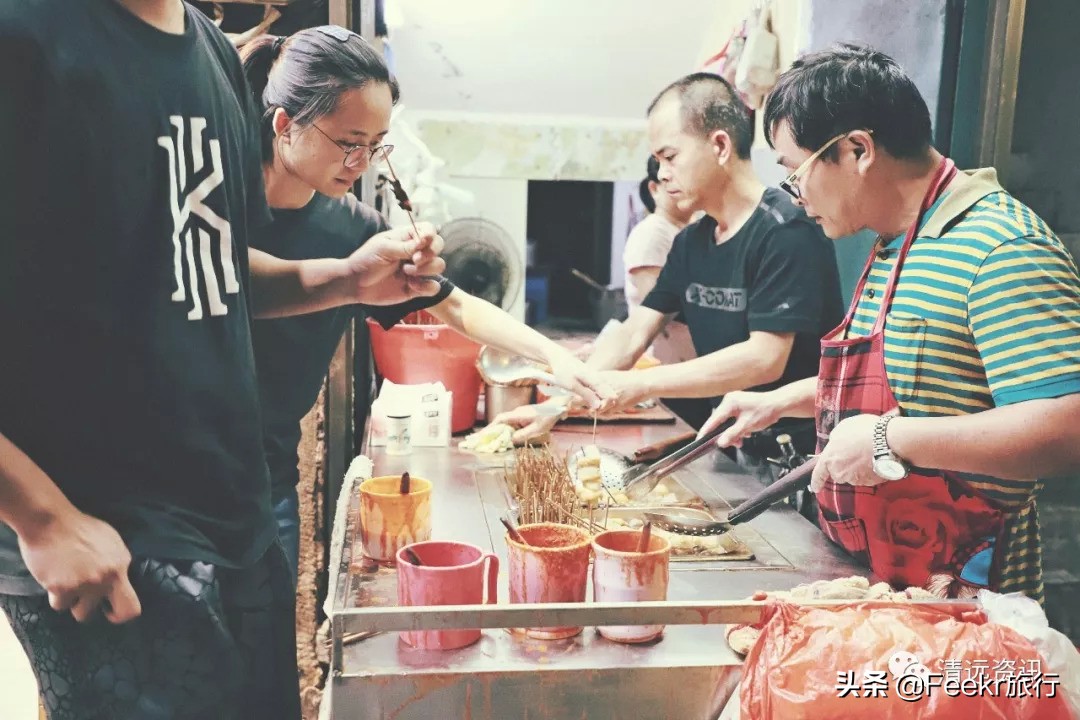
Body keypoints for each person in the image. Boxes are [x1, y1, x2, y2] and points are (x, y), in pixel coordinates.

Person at [0, 2, 444, 718]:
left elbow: (207, 265)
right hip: (107, 537)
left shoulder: (207, 53)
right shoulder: (25, 32)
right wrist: (41, 517)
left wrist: (346, 279)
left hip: (233, 521)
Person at [701, 43, 1080, 602]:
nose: (796, 195)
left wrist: (888, 439)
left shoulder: (1000, 246)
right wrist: (783, 400)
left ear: (857, 150)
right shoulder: (894, 241)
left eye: (794, 172)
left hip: (964, 600)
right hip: (884, 579)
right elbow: (921, 385)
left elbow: (1066, 429)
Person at [239, 28, 612, 577]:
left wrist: (555, 358)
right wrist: (348, 279)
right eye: (350, 142)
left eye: (376, 144)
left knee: (263, 646)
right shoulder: (221, 202)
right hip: (181, 462)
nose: (363, 161)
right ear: (285, 124)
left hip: (267, 468)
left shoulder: (352, 229)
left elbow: (454, 305)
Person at [499, 73, 843, 483]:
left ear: (719, 146)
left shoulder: (786, 229)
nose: (661, 174)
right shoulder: (692, 242)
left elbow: (764, 359)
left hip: (800, 460)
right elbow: (633, 335)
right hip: (732, 449)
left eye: (670, 157)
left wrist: (640, 385)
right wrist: (555, 408)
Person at [623, 156, 710, 429]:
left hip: (692, 371)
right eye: (666, 178)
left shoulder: (691, 231)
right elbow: (661, 308)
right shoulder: (652, 233)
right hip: (665, 369)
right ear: (654, 189)